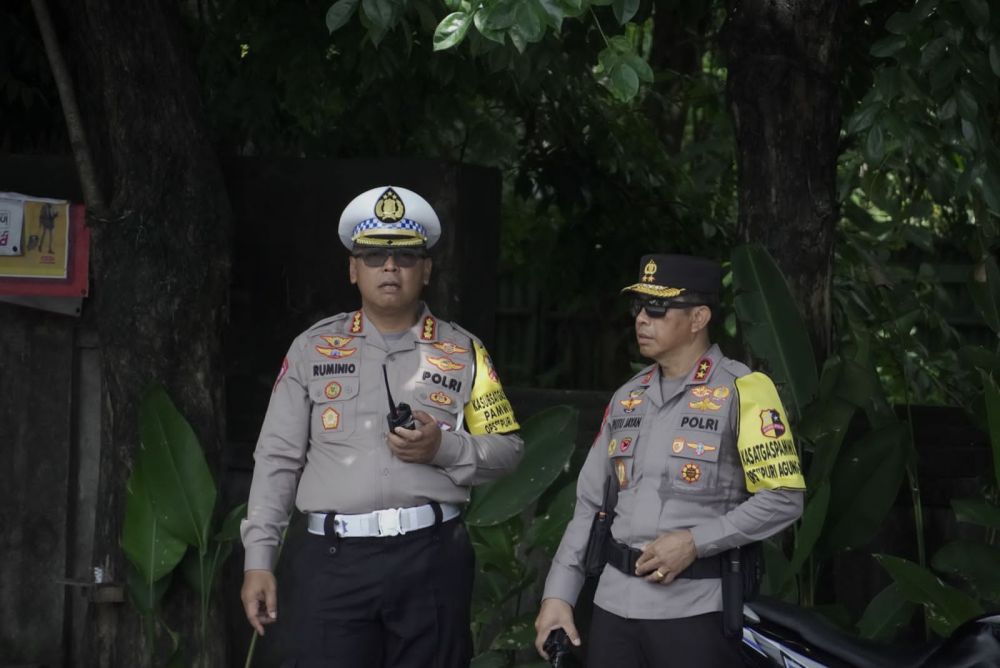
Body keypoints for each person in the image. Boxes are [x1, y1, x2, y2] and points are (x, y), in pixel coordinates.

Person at [240, 185, 524, 667]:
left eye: (406, 257)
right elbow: (277, 459)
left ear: (426, 270)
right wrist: (258, 561)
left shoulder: (464, 352)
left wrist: (444, 448)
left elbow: (509, 449)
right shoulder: (312, 348)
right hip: (330, 561)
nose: (390, 268)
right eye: (374, 256)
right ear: (354, 270)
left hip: (430, 558)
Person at [533, 253, 806, 667]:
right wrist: (558, 594)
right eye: (638, 307)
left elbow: (784, 497)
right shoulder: (627, 397)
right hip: (612, 608)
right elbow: (590, 504)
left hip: (695, 613)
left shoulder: (744, 390)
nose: (642, 318)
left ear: (699, 318)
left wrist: (697, 541)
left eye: (657, 308)